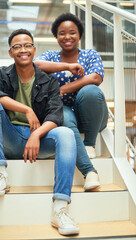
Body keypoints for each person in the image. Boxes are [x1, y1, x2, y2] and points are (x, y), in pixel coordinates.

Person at [0, 29, 80, 236]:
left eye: (27, 45)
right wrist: (26, 109)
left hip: (37, 143)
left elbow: (55, 116)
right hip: (10, 137)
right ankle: (0, 175)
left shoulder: (49, 82)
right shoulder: (1, 74)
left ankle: (60, 208)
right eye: (17, 46)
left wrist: (36, 134)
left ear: (34, 49)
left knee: (67, 134)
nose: (22, 50)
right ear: (10, 52)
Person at [34, 12, 108, 191]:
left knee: (90, 91)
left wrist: (63, 89)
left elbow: (96, 78)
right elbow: (34, 65)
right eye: (62, 33)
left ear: (80, 35)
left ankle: (89, 143)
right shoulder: (51, 56)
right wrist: (67, 66)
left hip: (92, 113)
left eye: (72, 32)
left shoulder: (90, 55)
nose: (67, 37)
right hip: (65, 111)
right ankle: (90, 172)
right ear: (56, 36)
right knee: (61, 117)